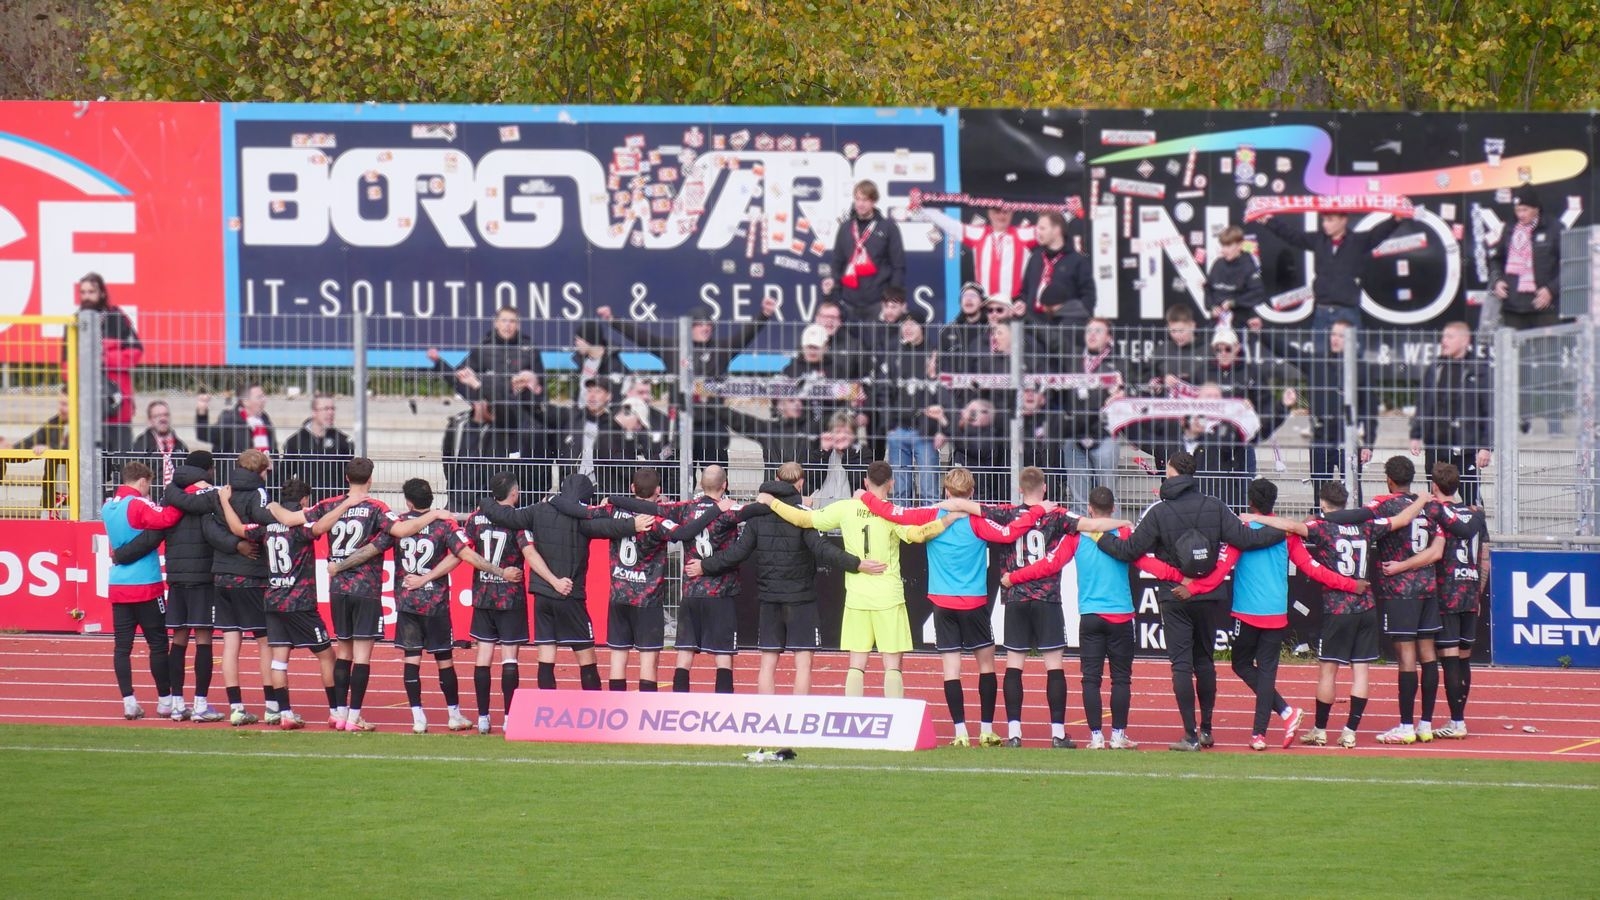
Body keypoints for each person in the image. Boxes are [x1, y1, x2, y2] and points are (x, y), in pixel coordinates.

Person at [1092, 451, 1286, 751]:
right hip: (1209, 595)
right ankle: (1206, 729)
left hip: (1174, 595)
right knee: (1205, 662)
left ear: (1171, 473)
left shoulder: (1159, 511)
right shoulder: (1215, 506)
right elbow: (1247, 540)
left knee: (1181, 665)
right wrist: (1283, 530)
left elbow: (1130, 550)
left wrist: (1100, 537)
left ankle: (1190, 735)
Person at [959, 470, 1130, 748]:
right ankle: (1057, 733)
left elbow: (968, 506)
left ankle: (1015, 733)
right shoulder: (1058, 515)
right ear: (1045, 488)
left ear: (1020, 489)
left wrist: (945, 506)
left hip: (1015, 597)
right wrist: (1123, 521)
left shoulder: (1007, 514)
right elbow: (1092, 524)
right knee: (1054, 666)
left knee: (1014, 665)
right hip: (1047, 598)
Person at [1195, 478, 1366, 750]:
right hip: (1276, 613)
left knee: (1241, 665)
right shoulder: (1287, 533)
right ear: (1273, 502)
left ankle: (1284, 713)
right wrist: (1350, 584)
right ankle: (1260, 734)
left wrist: (1192, 588)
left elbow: (1220, 570)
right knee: (1266, 673)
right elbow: (1313, 569)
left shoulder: (1242, 531)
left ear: (1250, 501)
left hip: (1247, 613)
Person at [760, 460, 953, 698]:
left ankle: (854, 713)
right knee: (892, 665)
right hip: (888, 597)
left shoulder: (846, 508)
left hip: (857, 597)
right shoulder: (892, 513)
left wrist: (773, 502)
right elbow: (918, 534)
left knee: (856, 665)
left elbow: (803, 519)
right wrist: (945, 521)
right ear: (891, 484)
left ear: (865, 482)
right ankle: (893, 715)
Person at [336, 478, 512, 734]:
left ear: (408, 502)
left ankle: (418, 718)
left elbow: (371, 549)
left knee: (412, 660)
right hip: (435, 603)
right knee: (444, 661)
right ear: (431, 498)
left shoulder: (399, 525)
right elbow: (466, 555)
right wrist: (500, 571)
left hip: (407, 601)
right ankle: (454, 715)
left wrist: (339, 566)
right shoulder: (444, 524)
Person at [1263, 481, 1427, 749]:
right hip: (1366, 605)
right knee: (1361, 671)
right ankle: (1350, 731)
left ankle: (1320, 730)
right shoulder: (1365, 525)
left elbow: (1291, 526)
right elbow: (1402, 519)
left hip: (1338, 607)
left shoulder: (1323, 526)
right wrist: (1422, 499)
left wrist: (1255, 517)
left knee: (1328, 671)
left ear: (1323, 503)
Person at [694, 462, 879, 695]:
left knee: (768, 663)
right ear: (800, 483)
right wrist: (856, 563)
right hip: (801, 597)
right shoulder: (803, 514)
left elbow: (737, 553)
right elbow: (822, 549)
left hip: (770, 596)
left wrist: (704, 566)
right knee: (803, 663)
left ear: (776, 479)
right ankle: (799, 712)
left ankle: (766, 712)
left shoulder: (759, 513)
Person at [858, 468, 1002, 746]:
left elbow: (892, 512)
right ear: (972, 492)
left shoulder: (931, 515)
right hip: (974, 602)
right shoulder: (981, 519)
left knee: (951, 669)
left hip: (942, 601)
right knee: (986, 666)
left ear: (946, 491)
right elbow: (1010, 523)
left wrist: (865, 496)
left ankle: (960, 733)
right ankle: (986, 729)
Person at [478, 473, 654, 691]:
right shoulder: (582, 518)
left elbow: (506, 516)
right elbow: (607, 527)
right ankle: (593, 705)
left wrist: (485, 501)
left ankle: (547, 706)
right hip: (570, 594)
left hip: (542, 594)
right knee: (587, 659)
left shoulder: (538, 511)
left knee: (546, 658)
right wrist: (632, 525)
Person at [213, 477, 338, 731]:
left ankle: (285, 713)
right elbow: (320, 528)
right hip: (300, 601)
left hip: (273, 600)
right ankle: (336, 711)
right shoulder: (301, 526)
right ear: (304, 500)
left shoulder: (267, 526)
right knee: (327, 656)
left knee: (279, 660)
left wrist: (225, 502)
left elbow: (237, 529)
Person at [596, 296, 775, 466]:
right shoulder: (673, 348)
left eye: (709, 325)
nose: (705, 328)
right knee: (679, 475)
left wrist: (764, 314)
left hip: (712, 424)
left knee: (715, 474)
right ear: (689, 328)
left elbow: (745, 335)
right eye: (699, 325)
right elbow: (641, 336)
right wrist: (613, 320)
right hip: (682, 423)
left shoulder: (720, 350)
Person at [612, 466, 743, 693]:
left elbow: (649, 508)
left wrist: (614, 499)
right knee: (723, 655)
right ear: (725, 485)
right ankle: (724, 706)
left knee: (684, 653)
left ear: (700, 484)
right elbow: (757, 512)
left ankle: (677, 702)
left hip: (688, 591)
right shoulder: (731, 510)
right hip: (719, 591)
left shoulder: (684, 508)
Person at [459, 473, 564, 734]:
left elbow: (463, 551)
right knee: (510, 658)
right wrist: (553, 580)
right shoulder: (518, 521)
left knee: (483, 656)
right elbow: (530, 554)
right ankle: (508, 717)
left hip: (483, 595)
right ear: (514, 493)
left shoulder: (475, 518)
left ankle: (483, 717)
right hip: (510, 597)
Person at [294, 457, 393, 731]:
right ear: (370, 479)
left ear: (347, 478)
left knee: (344, 651)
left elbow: (301, 522)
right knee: (362, 656)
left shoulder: (329, 505)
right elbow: (396, 530)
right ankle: (354, 716)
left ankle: (338, 713)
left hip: (337, 588)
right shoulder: (377, 507)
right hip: (366, 587)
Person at [1361, 456, 1445, 745]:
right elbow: (1438, 549)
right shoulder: (1430, 507)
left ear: (1389, 479)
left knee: (1406, 658)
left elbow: (1362, 522)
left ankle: (1406, 725)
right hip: (1427, 587)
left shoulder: (1383, 504)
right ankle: (1426, 724)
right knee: (1428, 654)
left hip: (1399, 591)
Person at [202, 449, 280, 726]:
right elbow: (260, 516)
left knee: (230, 642)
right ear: (260, 470)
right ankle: (272, 705)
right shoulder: (258, 492)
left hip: (222, 574)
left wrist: (232, 545)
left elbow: (210, 529)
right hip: (251, 576)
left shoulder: (222, 493)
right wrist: (275, 518)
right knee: (265, 641)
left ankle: (236, 707)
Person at [149, 450, 226, 722]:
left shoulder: (171, 493)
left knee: (179, 639)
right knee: (204, 639)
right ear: (208, 469)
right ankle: (201, 704)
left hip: (177, 574)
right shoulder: (211, 495)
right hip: (203, 575)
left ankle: (177, 704)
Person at [101, 461, 182, 720]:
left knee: (122, 648)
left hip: (118, 584)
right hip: (146, 584)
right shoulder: (138, 503)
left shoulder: (107, 506)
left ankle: (129, 701)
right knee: (157, 644)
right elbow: (167, 517)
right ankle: (165, 700)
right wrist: (180, 500)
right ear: (143, 481)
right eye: (149, 484)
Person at [1257, 202, 1406, 333]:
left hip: (1348, 311)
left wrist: (1396, 219)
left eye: (1330, 220)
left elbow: (1380, 232)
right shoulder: (1318, 240)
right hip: (1322, 310)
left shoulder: (1358, 242)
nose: (1325, 224)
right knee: (1320, 355)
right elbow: (1292, 236)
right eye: (1324, 220)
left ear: (1343, 220)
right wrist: (1269, 221)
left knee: (1350, 354)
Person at [1422, 463, 1490, 740]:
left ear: (1434, 485)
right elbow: (1485, 555)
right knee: (1464, 658)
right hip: (1470, 591)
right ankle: (1457, 719)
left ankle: (1457, 722)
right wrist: (1478, 591)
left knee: (1449, 659)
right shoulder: (1474, 514)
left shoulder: (1435, 512)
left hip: (1446, 591)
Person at [428, 305, 545, 464]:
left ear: (518, 324)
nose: (507, 325)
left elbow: (540, 387)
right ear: (496, 323)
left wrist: (530, 392)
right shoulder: (483, 349)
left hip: (520, 416)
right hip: (490, 415)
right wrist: (440, 364)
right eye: (504, 320)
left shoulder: (529, 349)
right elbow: (461, 379)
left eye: (512, 321)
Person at [1489, 187, 1564, 434]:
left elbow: (1569, 263)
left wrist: (1551, 290)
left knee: (1549, 365)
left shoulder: (1554, 229)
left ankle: (1554, 421)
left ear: (1535, 209)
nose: (1520, 214)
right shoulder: (1510, 229)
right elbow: (1496, 259)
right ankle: (1521, 420)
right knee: (1516, 367)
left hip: (1544, 308)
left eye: (1524, 209)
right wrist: (1497, 280)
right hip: (1514, 307)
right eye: (1517, 209)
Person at [1409, 321, 1492, 507]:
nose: (1444, 341)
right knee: (1435, 498)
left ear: (1465, 340)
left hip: (1465, 447)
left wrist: (1486, 446)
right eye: (1443, 336)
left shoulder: (1478, 370)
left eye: (1450, 337)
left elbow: (1488, 410)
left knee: (1471, 497)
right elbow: (1424, 403)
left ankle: (1477, 526)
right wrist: (1416, 434)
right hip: (1437, 444)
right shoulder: (1435, 368)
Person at [1059, 318, 1128, 512]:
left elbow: (1133, 390)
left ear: (1109, 338)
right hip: (1074, 434)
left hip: (1105, 435)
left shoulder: (1119, 363)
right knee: (1077, 497)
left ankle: (1112, 531)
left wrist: (1123, 392)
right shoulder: (1072, 360)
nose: (1092, 335)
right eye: (1089, 330)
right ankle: (1081, 531)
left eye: (1098, 331)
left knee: (1107, 495)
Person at [76, 272, 143, 467]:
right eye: (83, 292)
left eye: (91, 291)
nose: (86, 296)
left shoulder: (118, 318)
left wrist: (103, 359)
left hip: (119, 411)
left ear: (102, 293)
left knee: (124, 468)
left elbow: (136, 352)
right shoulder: (75, 321)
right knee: (90, 469)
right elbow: (67, 365)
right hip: (87, 411)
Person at [1019, 210, 1094, 371]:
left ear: (1057, 229)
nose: (1038, 232)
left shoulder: (1077, 261)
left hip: (1062, 329)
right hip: (1034, 326)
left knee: (1061, 372)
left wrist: (1073, 320)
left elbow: (1088, 297)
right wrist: (1022, 304)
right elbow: (1025, 290)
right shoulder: (1035, 257)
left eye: (1042, 228)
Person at [824, 180, 906, 322]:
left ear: (874, 201)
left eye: (865, 200)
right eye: (857, 199)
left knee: (877, 338)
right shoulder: (845, 228)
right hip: (848, 302)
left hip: (877, 302)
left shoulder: (888, 227)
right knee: (848, 338)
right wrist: (836, 289)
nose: (860, 204)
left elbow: (898, 265)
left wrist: (891, 300)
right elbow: (837, 262)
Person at [0, 387, 71, 513]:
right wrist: (10, 449)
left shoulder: (88, 427)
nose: (60, 408)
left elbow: (83, 452)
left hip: (81, 496)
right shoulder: (55, 422)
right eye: (59, 403)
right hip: (52, 497)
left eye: (64, 404)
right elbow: (31, 442)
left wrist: (52, 449)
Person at [279, 393, 356, 500]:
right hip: (308, 504)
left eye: (332, 409)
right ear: (314, 412)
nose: (330, 412)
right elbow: (284, 474)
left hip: (335, 505)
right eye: (326, 409)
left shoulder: (343, 441)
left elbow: (350, 477)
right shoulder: (295, 442)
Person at [196, 382, 276, 468]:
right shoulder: (230, 420)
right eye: (259, 397)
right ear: (245, 401)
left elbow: (274, 451)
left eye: (263, 396)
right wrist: (202, 412)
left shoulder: (264, 419)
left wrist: (274, 466)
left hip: (263, 473)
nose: (264, 400)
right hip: (235, 474)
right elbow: (205, 435)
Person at [1203, 226, 1266, 324]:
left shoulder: (1248, 265)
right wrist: (1212, 306)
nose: (1223, 250)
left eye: (1228, 246)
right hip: (1217, 322)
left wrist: (1233, 303)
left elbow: (1257, 293)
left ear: (1240, 245)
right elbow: (1208, 288)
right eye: (1222, 246)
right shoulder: (1218, 264)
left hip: (1241, 321)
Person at [1142, 304, 1208, 395]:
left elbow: (1217, 378)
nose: (1177, 335)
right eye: (1173, 331)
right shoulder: (1162, 350)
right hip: (1166, 402)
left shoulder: (1207, 350)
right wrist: (1162, 380)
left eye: (1181, 331)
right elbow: (1145, 376)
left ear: (1192, 326)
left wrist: (1187, 380)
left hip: (1200, 401)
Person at [129, 400, 189, 487]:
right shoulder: (141, 445)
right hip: (151, 493)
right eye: (157, 416)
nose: (163, 419)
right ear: (149, 421)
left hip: (177, 493)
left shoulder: (180, 446)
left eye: (166, 415)